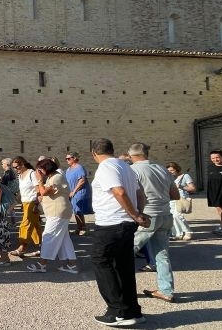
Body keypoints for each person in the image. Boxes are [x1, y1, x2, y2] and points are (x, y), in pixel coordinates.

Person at [89, 138, 149, 327]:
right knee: (123, 267)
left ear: (94, 153)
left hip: (110, 224)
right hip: (125, 224)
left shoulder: (106, 167)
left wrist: (135, 215)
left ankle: (118, 312)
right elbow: (140, 194)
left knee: (102, 262)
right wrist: (138, 214)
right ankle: (132, 311)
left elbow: (119, 192)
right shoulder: (126, 167)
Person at [129, 143, 178, 303]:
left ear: (131, 155)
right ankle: (166, 290)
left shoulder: (133, 170)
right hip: (165, 214)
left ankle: (124, 291)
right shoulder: (162, 169)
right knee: (162, 254)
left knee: (126, 252)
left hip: (147, 215)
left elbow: (130, 195)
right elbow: (175, 195)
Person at [26, 158, 78, 274]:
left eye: (40, 169)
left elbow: (44, 191)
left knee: (48, 236)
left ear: (47, 168)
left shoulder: (56, 177)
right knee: (64, 239)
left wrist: (40, 180)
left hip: (57, 212)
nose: (39, 172)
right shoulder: (51, 177)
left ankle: (42, 264)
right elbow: (44, 192)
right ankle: (72, 264)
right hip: (57, 212)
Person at [9, 156, 41, 258]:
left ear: (22, 164)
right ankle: (41, 247)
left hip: (32, 202)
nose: (15, 169)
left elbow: (38, 190)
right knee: (34, 226)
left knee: (25, 225)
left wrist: (36, 204)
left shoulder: (31, 173)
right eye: (14, 167)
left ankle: (22, 248)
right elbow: (22, 191)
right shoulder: (20, 175)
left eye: (17, 167)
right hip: (25, 203)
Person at [65, 152, 93, 235]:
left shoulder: (79, 168)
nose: (67, 160)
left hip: (79, 191)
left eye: (68, 158)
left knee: (78, 210)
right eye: (66, 159)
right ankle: (79, 227)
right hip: (72, 192)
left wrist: (74, 191)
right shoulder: (68, 169)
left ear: (74, 158)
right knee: (75, 210)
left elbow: (82, 180)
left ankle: (83, 227)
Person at [166, 162, 194, 241]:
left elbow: (192, 188)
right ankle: (178, 234)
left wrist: (181, 186)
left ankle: (188, 232)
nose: (170, 172)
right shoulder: (169, 178)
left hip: (181, 198)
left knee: (177, 216)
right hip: (171, 199)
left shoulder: (185, 176)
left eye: (172, 170)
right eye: (168, 171)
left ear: (177, 169)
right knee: (172, 217)